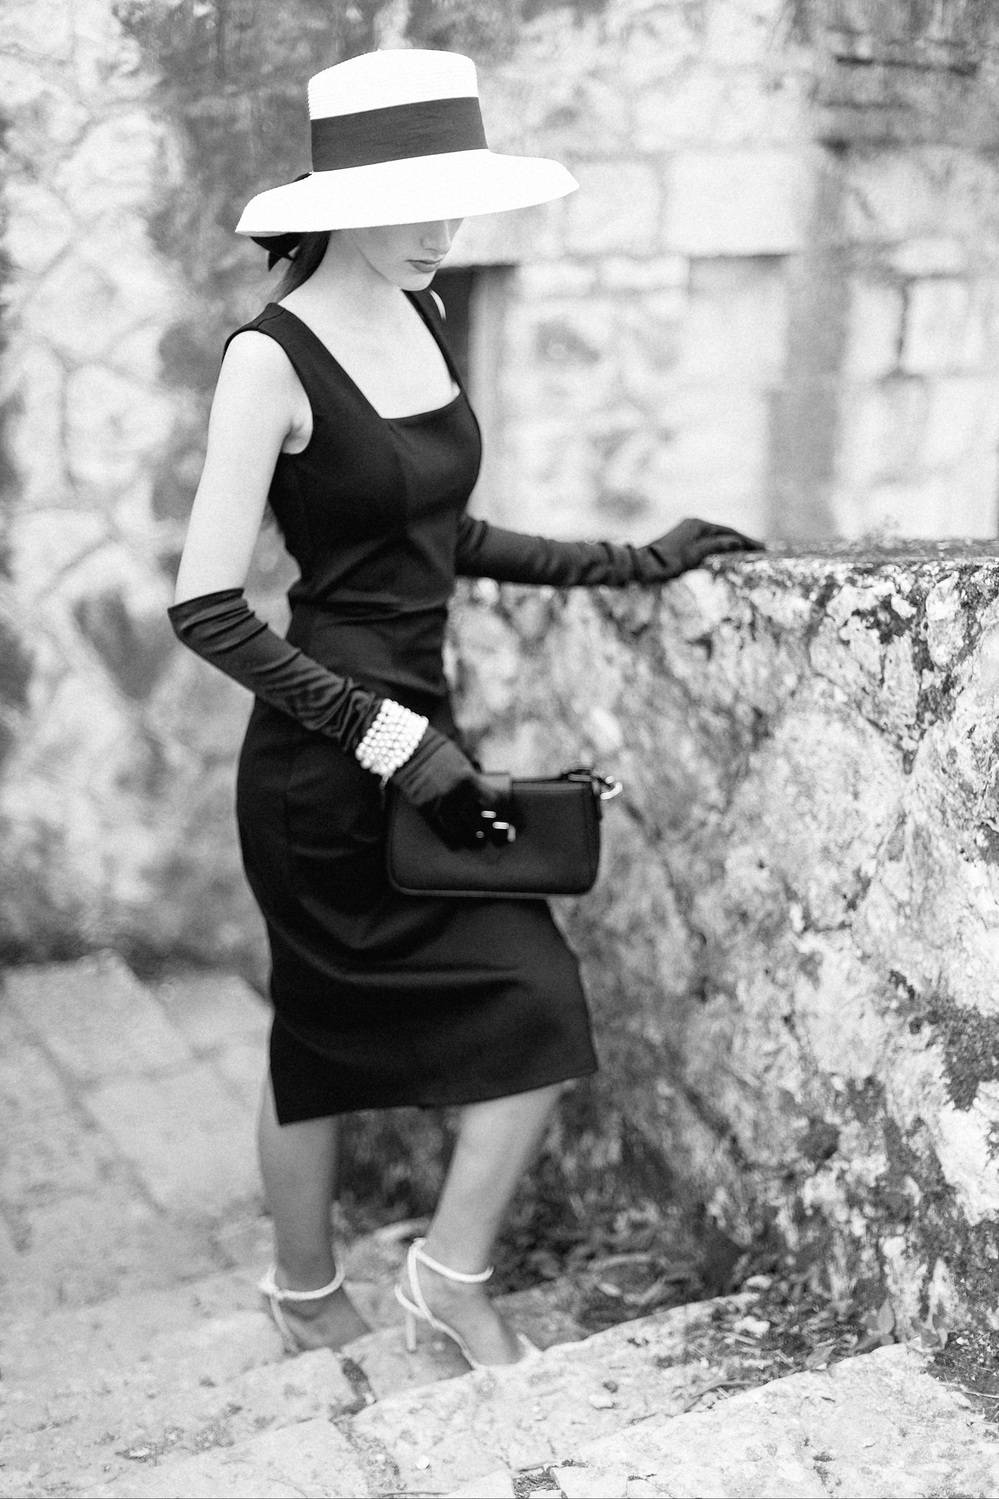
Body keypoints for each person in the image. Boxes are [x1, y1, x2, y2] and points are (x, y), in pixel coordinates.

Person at [169, 47, 761, 1370]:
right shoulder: (270, 358)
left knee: (535, 1001)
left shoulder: (422, 311)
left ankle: (446, 1276)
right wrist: (393, 741)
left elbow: (441, 530)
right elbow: (206, 609)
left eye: (456, 200)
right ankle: (305, 1293)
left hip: (425, 744)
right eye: (413, 203)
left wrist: (629, 560)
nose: (442, 230)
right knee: (320, 1034)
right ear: (341, 201)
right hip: (327, 766)